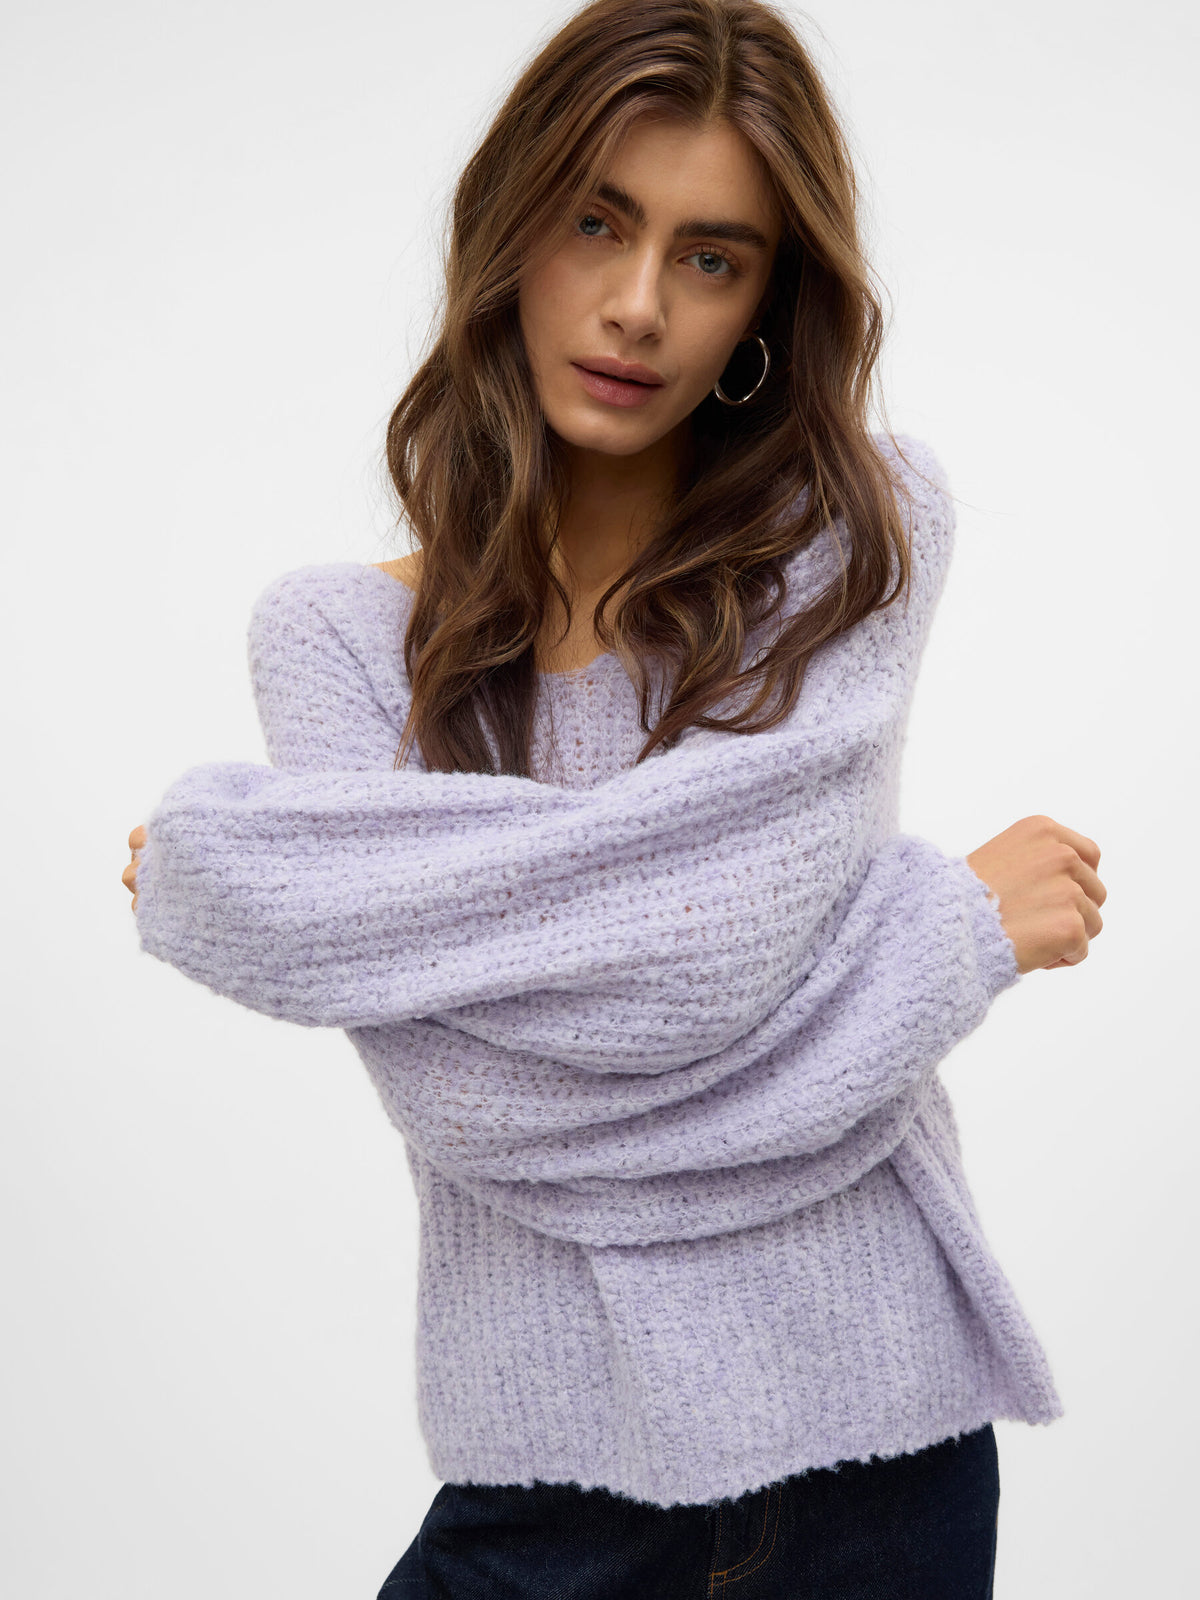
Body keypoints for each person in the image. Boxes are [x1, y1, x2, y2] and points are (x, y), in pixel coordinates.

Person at [122, 0, 1106, 1593]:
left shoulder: (856, 542)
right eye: (597, 223)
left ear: (766, 305)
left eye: (711, 257)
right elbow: (480, 1108)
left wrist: (325, 894)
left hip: (879, 1450)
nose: (639, 305)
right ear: (511, 232)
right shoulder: (339, 641)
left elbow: (715, 952)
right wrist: (942, 938)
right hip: (546, 1477)